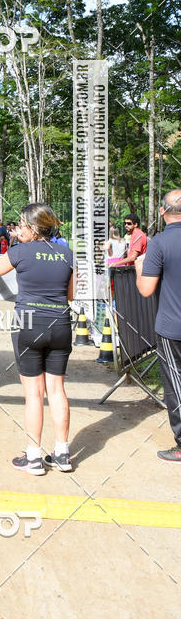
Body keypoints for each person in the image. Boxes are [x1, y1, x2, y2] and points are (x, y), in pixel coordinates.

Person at [0, 204, 74, 475]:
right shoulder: (67, 253)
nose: (17, 229)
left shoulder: (20, 252)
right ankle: (62, 454)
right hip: (61, 324)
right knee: (56, 391)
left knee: (33, 394)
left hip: (29, 325)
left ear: (34, 228)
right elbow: (70, 295)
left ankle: (33, 457)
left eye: (21, 225)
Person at [135, 190, 181, 463]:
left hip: (172, 326)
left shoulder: (159, 243)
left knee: (176, 385)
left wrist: (141, 268)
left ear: (162, 212)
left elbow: (146, 289)